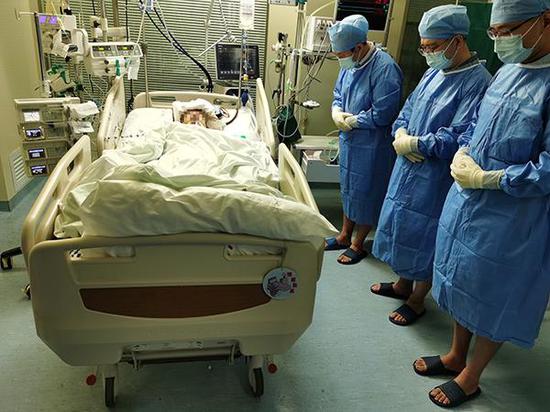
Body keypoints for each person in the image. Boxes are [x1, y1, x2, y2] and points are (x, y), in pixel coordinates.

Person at [413, 0, 550, 408]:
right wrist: (465, 149)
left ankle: (472, 376)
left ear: (545, 20)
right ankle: (456, 354)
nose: (500, 40)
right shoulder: (507, 70)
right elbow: (478, 123)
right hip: (469, 201)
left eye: (508, 31)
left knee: (493, 290)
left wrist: (494, 178)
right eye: (495, 32)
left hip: (514, 212)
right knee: (463, 278)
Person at [370, 5, 492, 326]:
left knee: (426, 234)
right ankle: (402, 284)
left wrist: (417, 144)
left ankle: (417, 299)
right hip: (407, 167)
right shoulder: (433, 72)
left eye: (433, 47)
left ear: (457, 40)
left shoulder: (478, 82)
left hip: (435, 176)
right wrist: (401, 133)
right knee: (402, 223)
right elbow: (408, 109)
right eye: (423, 47)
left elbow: (461, 135)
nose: (427, 54)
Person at [325, 15, 403, 265]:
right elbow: (339, 92)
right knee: (349, 188)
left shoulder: (385, 69)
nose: (340, 60)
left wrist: (354, 121)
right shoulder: (351, 64)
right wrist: (337, 111)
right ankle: (344, 235)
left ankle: (358, 244)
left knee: (367, 190)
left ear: (358, 47)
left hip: (372, 143)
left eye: (341, 55)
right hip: (350, 141)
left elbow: (384, 113)